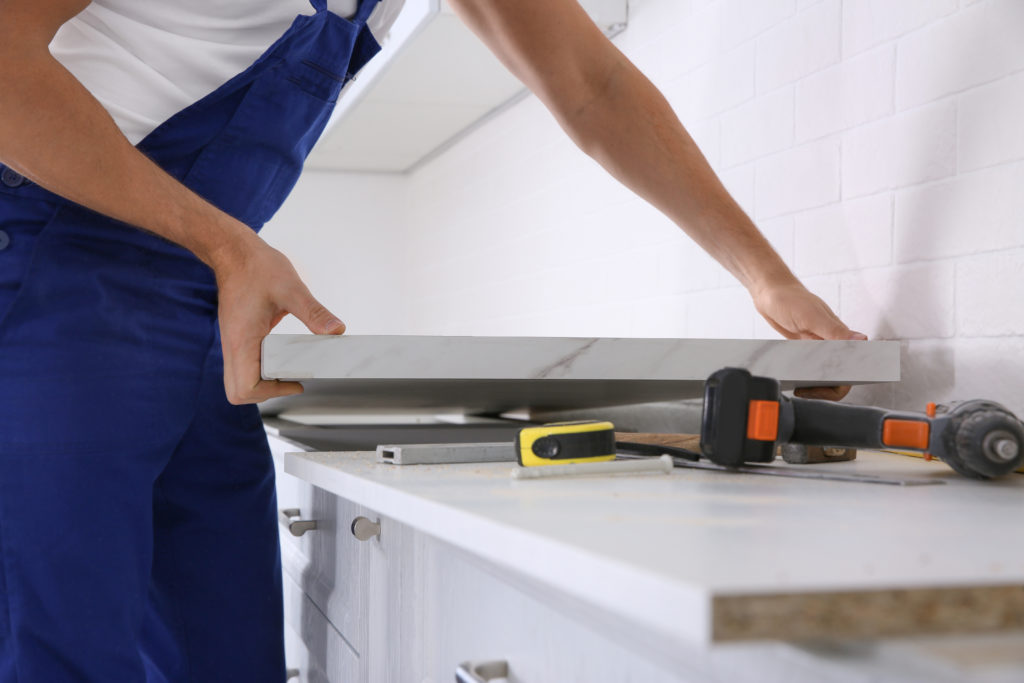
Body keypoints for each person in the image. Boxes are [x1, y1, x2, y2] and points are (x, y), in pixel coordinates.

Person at [0, 0, 865, 680]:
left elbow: (590, 82)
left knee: (223, 651)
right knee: (57, 651)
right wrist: (229, 243)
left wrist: (765, 274)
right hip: (43, 279)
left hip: (204, 306)